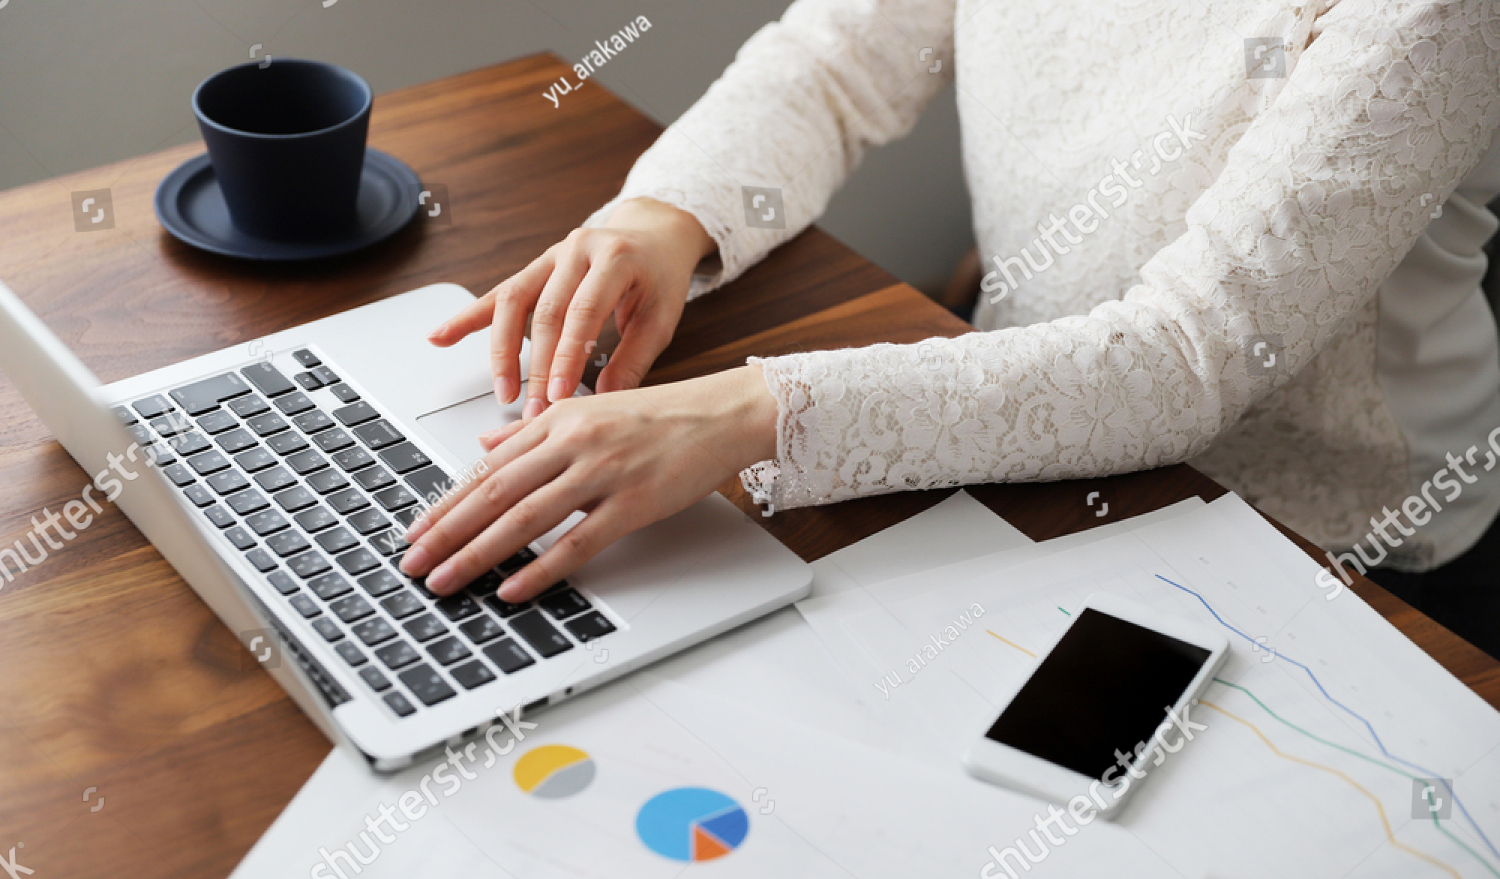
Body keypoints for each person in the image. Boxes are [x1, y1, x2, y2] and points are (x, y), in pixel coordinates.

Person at [399, 0, 1500, 658]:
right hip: (1027, 416)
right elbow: (835, 63)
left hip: (1332, 528)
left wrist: (748, 410)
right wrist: (667, 213)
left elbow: (1186, 357)